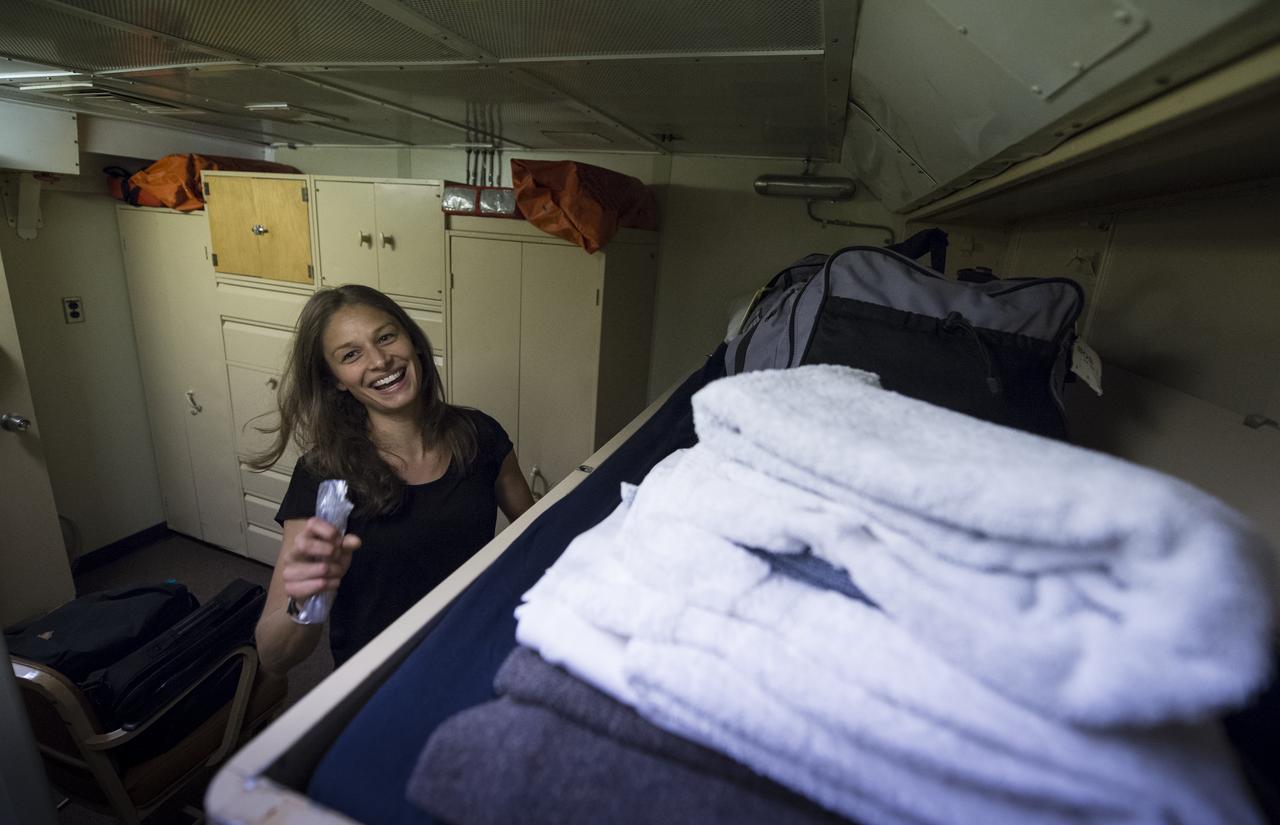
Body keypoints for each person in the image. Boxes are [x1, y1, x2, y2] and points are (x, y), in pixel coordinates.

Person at [251, 284, 534, 674]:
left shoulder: (480, 435)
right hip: (383, 681)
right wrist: (308, 598)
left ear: (413, 341)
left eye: (386, 337)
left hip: (477, 650)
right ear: (335, 379)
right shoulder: (325, 477)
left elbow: (538, 535)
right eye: (351, 355)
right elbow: (274, 654)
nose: (381, 360)